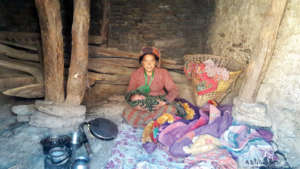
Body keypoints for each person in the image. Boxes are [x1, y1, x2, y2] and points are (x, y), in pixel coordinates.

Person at [122, 47, 179, 128]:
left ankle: (148, 123)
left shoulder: (163, 73)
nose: (149, 64)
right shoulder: (136, 74)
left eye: (152, 60)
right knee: (127, 112)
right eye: (146, 61)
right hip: (142, 104)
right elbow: (129, 92)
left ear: (156, 62)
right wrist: (134, 98)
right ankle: (154, 123)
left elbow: (174, 90)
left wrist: (164, 102)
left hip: (158, 104)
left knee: (171, 109)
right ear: (142, 62)